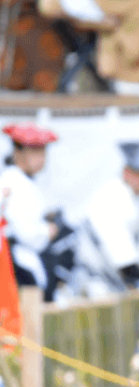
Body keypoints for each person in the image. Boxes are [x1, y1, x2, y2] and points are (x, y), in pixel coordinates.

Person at [71, 142, 139, 299]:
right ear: (127, 173)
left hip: (118, 282)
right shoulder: (112, 196)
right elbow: (122, 255)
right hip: (96, 281)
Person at [0, 123, 63, 299]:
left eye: (42, 152)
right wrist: (48, 230)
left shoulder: (24, 180)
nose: (41, 158)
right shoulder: (13, 182)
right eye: (34, 151)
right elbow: (27, 233)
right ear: (17, 152)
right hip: (19, 260)